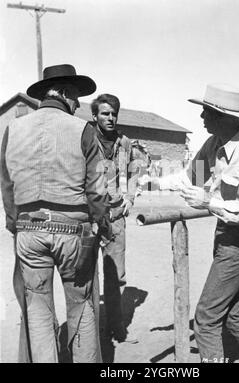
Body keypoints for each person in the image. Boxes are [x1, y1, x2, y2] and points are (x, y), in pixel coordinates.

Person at [141, 83, 239, 363]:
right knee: (232, 313)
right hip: (225, 237)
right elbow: (189, 178)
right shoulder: (213, 144)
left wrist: (209, 202)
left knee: (206, 317)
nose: (201, 118)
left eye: (206, 112)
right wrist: (151, 183)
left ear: (226, 117)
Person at [0, 64, 110, 363]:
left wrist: (15, 224)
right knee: (81, 306)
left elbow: (6, 184)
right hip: (72, 232)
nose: (78, 104)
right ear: (63, 93)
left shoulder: (13, 128)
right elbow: (97, 188)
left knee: (37, 309)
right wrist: (102, 224)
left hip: (27, 232)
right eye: (76, 96)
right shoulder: (83, 130)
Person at [90, 94, 140, 343]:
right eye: (105, 113)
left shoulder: (125, 142)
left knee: (116, 275)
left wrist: (130, 197)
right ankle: (89, 333)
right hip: (89, 215)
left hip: (116, 214)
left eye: (113, 113)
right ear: (95, 116)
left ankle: (116, 328)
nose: (110, 118)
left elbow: (133, 170)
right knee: (86, 274)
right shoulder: (85, 138)